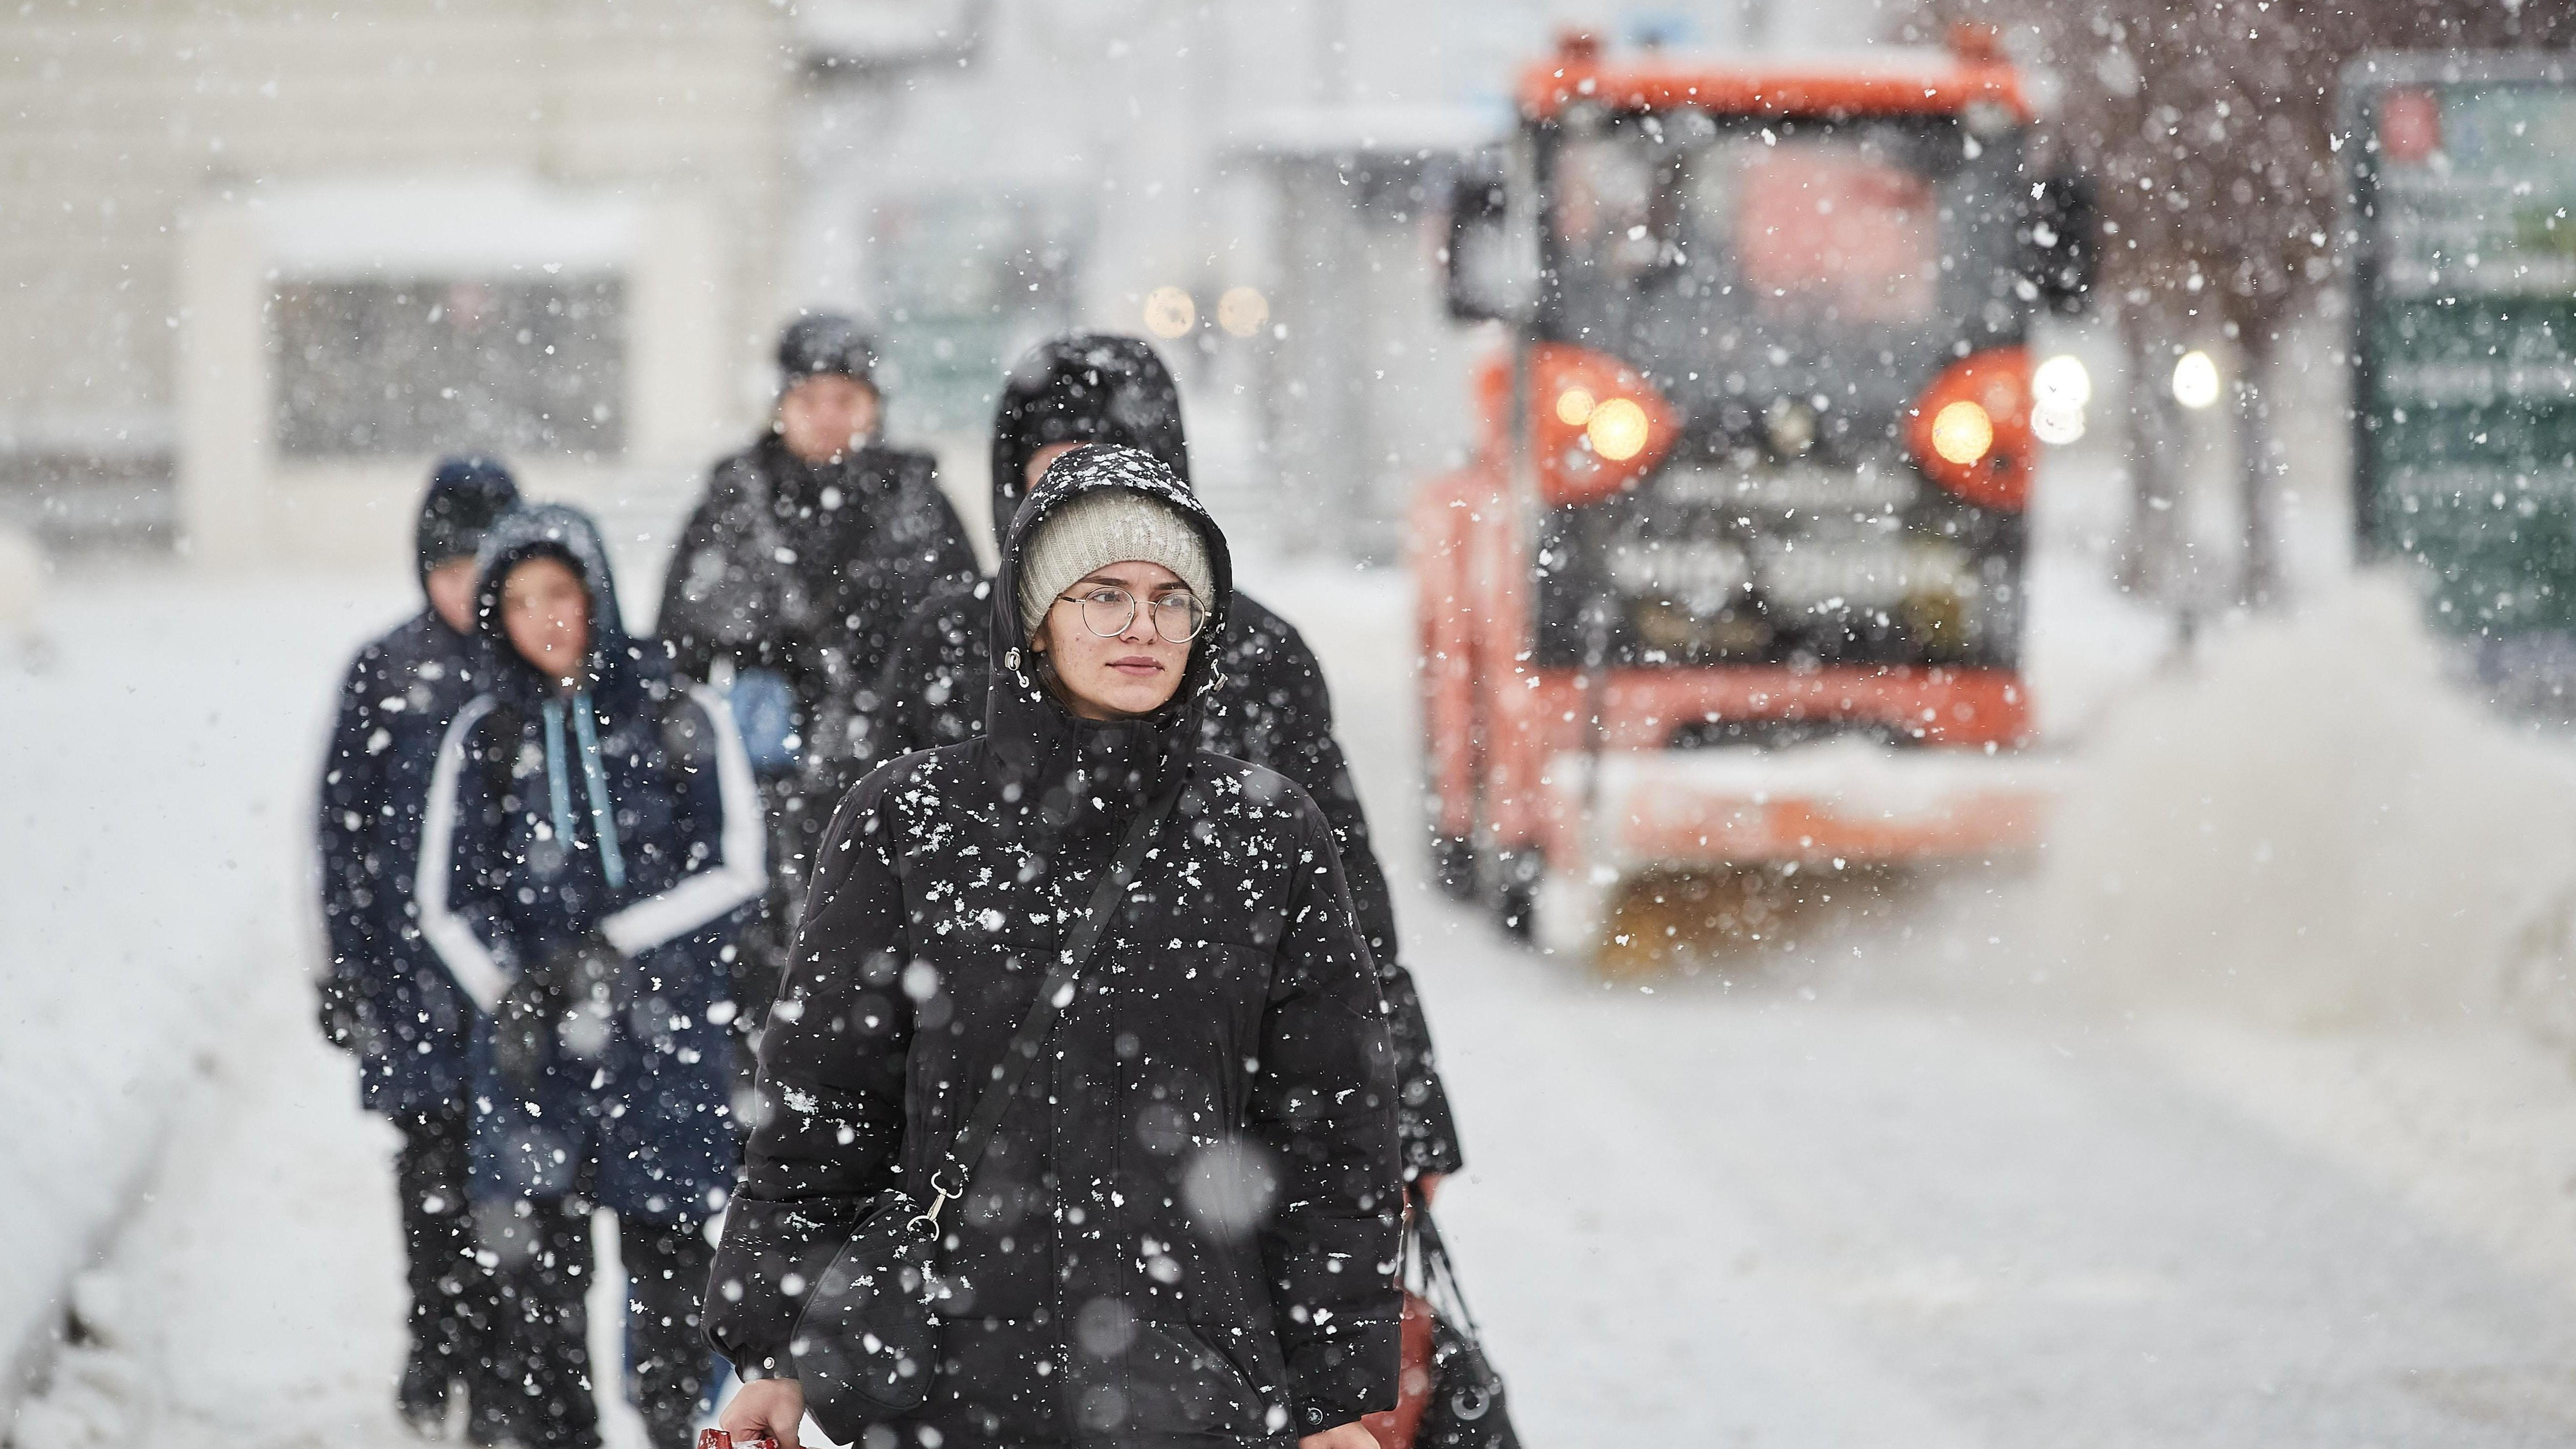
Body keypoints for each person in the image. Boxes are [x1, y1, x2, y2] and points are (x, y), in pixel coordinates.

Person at [707, 443, 1400, 1449]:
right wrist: (773, 1353)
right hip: (942, 1385)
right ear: (1035, 617)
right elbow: (822, 1111)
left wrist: (1334, 1395)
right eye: (1103, 594)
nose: (1142, 627)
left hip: (1195, 1390)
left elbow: (1332, 1136)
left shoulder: (1266, 833)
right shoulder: (910, 821)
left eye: (1172, 599)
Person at [825, 334, 1465, 1186]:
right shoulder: (947, 647)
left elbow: (1341, 901)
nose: (1079, 496)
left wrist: (1404, 1110)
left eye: (1108, 465)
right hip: (984, 1132)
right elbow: (868, 898)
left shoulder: (1254, 650)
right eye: (1052, 467)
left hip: (1217, 1116)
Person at [418, 504, 767, 1449]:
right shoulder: (485, 735)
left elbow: (738, 864)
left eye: (560, 592)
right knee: (538, 1282)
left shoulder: (678, 709)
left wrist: (614, 950)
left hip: (664, 1037)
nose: (546, 617)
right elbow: (444, 899)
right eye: (521, 600)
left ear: (596, 592)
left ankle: (670, 1425)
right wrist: (513, 992)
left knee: (670, 1268)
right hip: (534, 1055)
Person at [656, 313, 979, 1066]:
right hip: (758, 807)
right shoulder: (734, 503)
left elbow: (971, 644)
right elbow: (679, 646)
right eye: (811, 399)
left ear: (875, 407)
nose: (829, 417)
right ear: (780, 404)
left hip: (895, 797)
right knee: (763, 1005)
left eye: (848, 399)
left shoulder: (919, 502)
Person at [316, 454, 521, 1441]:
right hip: (409, 982)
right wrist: (339, 970)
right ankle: (434, 1338)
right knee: (432, 1176)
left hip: (514, 986)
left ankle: (501, 1363)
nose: (467, 588)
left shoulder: (537, 664)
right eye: (449, 567)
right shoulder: (387, 669)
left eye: (486, 566)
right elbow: (338, 831)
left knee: (513, 1186)